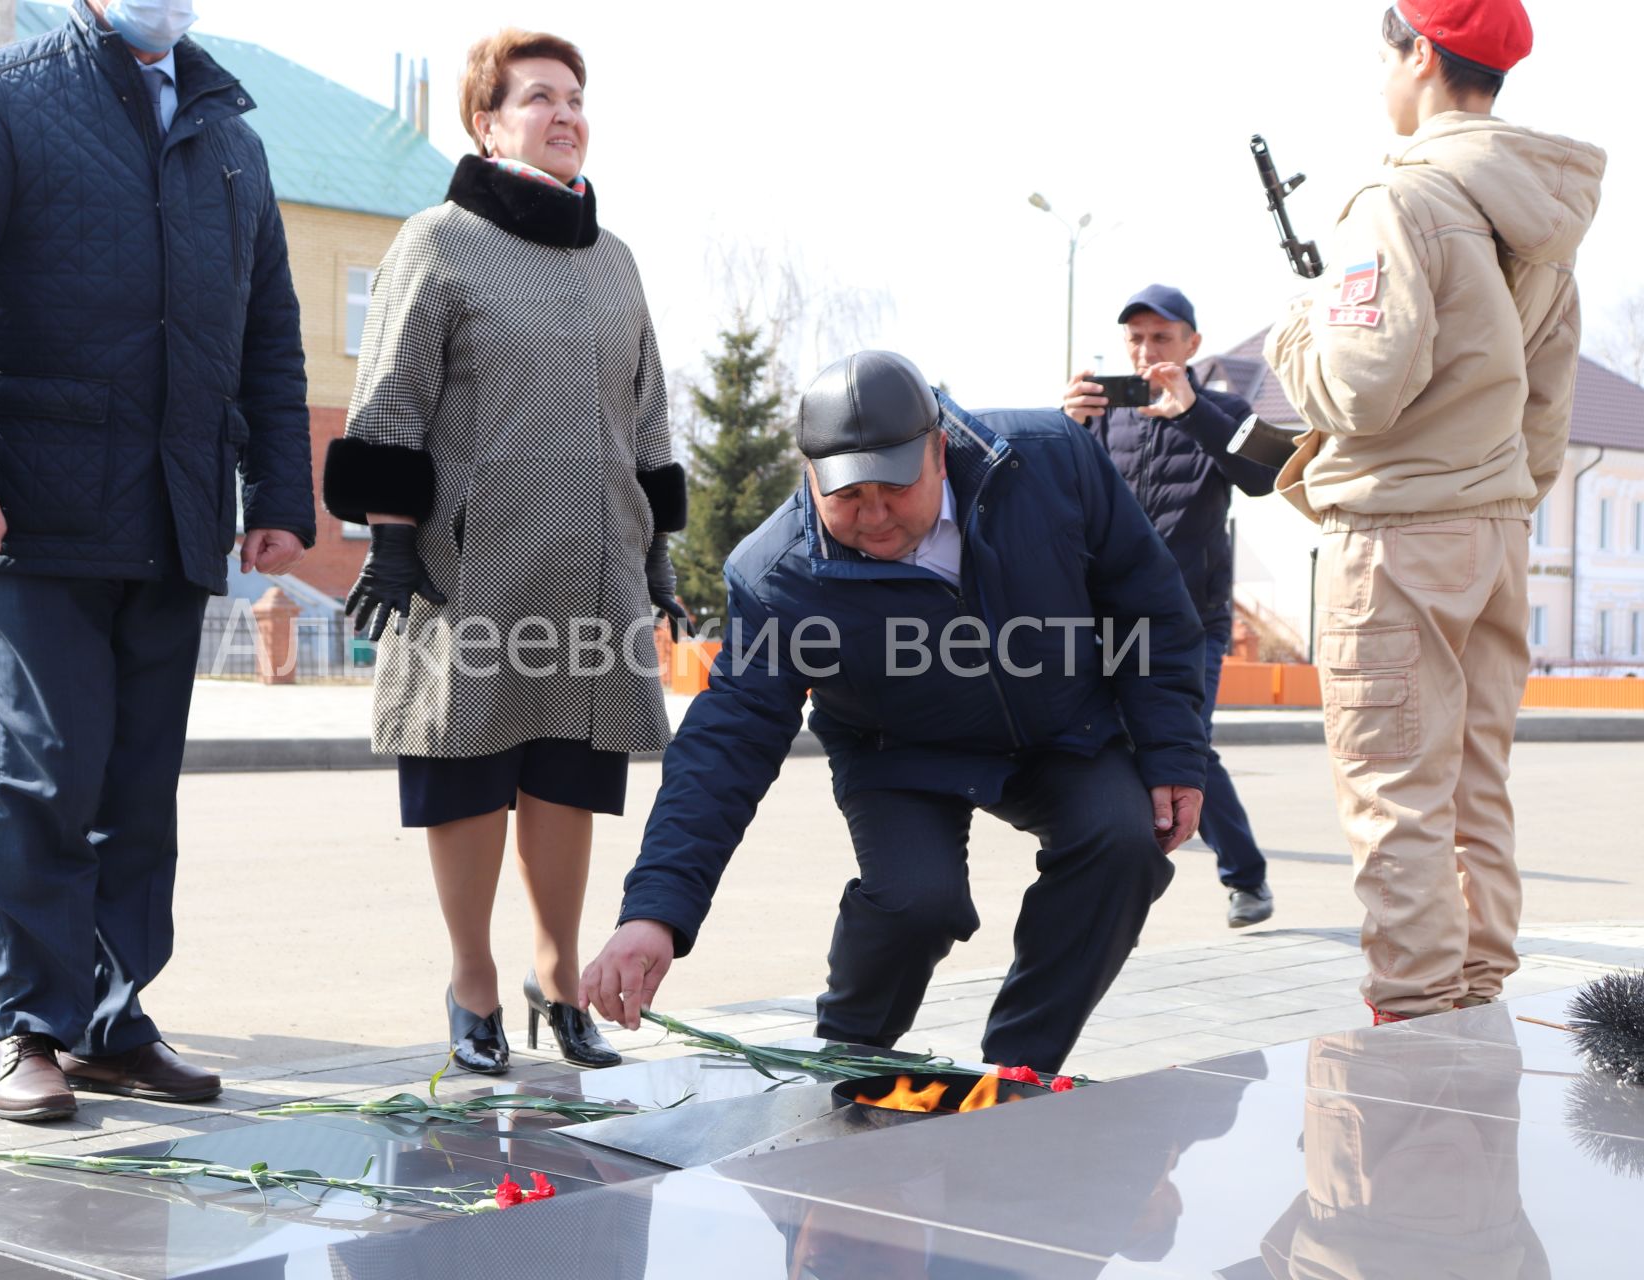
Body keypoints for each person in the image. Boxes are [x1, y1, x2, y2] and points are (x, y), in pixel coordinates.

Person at [0, 0, 316, 1121]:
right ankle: (24, 1026)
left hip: (176, 506)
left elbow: (268, 328)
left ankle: (110, 1014)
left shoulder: (229, 133)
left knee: (137, 784)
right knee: (50, 764)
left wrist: (281, 491)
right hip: (33, 510)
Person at [581, 351, 1207, 1072]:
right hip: (898, 748)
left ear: (938, 449)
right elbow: (727, 743)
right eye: (847, 496)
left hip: (1065, 728)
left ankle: (1019, 1071)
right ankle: (849, 1056)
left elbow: (1150, 605)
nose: (874, 518)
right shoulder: (780, 576)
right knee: (916, 900)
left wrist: (1171, 755)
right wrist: (654, 913)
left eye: (894, 489)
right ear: (811, 472)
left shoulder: (1049, 464)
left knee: (1122, 845)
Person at [323, 29, 687, 1075]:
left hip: (595, 564)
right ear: (488, 123)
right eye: (539, 97)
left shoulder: (615, 261)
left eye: (576, 97)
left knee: (572, 771)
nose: (565, 113)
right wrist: (391, 541)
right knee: (469, 767)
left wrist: (656, 550)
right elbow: (389, 393)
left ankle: (558, 972)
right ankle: (473, 979)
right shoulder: (438, 240)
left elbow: (649, 410)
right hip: (469, 565)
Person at [1265, 1, 1601, 1023]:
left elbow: (1359, 389)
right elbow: (1549, 402)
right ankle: (1473, 1001)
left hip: (1402, 532)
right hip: (1496, 528)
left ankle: (1414, 1028)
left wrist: (1296, 332)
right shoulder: (1540, 214)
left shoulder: (1395, 200)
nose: (1381, 77)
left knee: (1395, 787)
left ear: (1418, 54)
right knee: (1470, 785)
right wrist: (1497, 498)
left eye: (1386, 54)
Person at [1063, 285, 1278, 929]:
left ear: (1192, 345)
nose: (1146, 352)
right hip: (1110, 620)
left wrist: (1191, 413)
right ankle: (1108, 867)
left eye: (1162, 338)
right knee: (1106, 741)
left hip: (1192, 623)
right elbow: (1050, 494)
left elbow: (1271, 472)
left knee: (1187, 744)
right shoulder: (1101, 413)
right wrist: (1062, 426)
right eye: (1136, 339)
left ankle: (1246, 879)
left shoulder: (1225, 409)